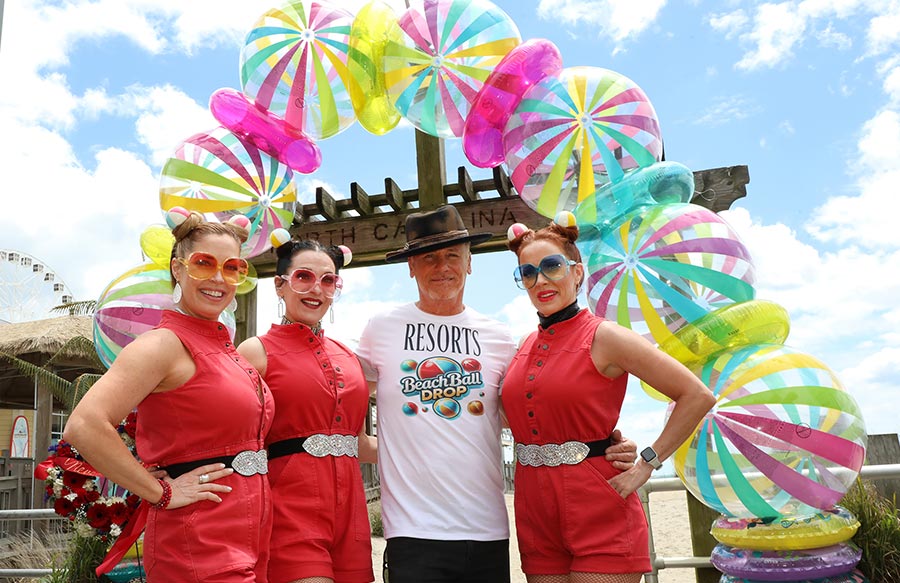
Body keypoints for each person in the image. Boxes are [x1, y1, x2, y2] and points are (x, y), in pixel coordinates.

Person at [355, 205, 638, 583]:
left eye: (453, 255)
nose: (442, 267)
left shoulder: (500, 338)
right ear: (410, 267)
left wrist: (600, 444)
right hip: (412, 530)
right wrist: (366, 444)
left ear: (470, 262)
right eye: (428, 257)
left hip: (488, 528)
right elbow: (344, 390)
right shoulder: (381, 328)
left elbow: (530, 408)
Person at [502, 213, 717, 583]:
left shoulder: (607, 337)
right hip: (534, 515)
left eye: (552, 266)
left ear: (577, 272)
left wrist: (647, 462)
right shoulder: (522, 346)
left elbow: (696, 395)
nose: (541, 280)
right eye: (528, 272)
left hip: (600, 508)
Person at [64, 209, 274, 582]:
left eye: (232, 268)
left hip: (250, 537)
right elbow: (84, 425)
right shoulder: (162, 344)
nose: (218, 279)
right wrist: (160, 492)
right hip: (196, 540)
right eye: (203, 264)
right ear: (177, 269)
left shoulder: (228, 351)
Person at [237, 231, 376, 583]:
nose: (316, 289)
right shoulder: (256, 352)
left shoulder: (350, 357)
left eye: (328, 280)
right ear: (280, 285)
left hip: (353, 519)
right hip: (289, 513)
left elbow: (359, 443)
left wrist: (435, 449)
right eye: (304, 277)